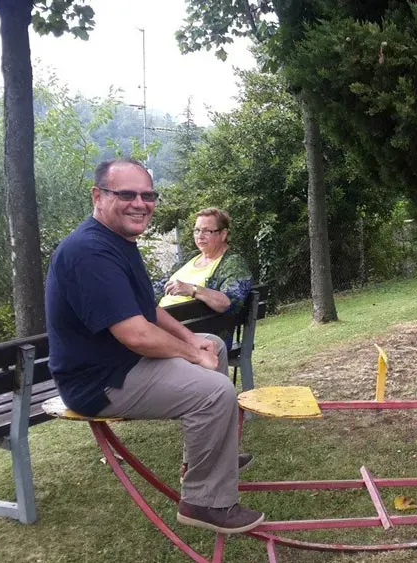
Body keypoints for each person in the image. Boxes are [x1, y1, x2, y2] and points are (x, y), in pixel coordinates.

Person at [45, 158, 264, 534]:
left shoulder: (119, 241)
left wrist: (193, 339)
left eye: (148, 195)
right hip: (99, 381)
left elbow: (147, 310)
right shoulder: (89, 252)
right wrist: (191, 353)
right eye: (126, 193)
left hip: (120, 364)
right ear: (98, 196)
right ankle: (205, 503)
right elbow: (137, 335)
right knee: (215, 390)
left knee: (212, 343)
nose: (139, 203)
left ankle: (202, 463)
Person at [158, 207, 252, 349]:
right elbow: (159, 285)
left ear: (223, 234)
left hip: (196, 337)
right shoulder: (190, 258)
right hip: (164, 327)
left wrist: (192, 289)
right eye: (197, 230)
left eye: (207, 231)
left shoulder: (232, 263)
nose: (200, 236)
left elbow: (227, 303)